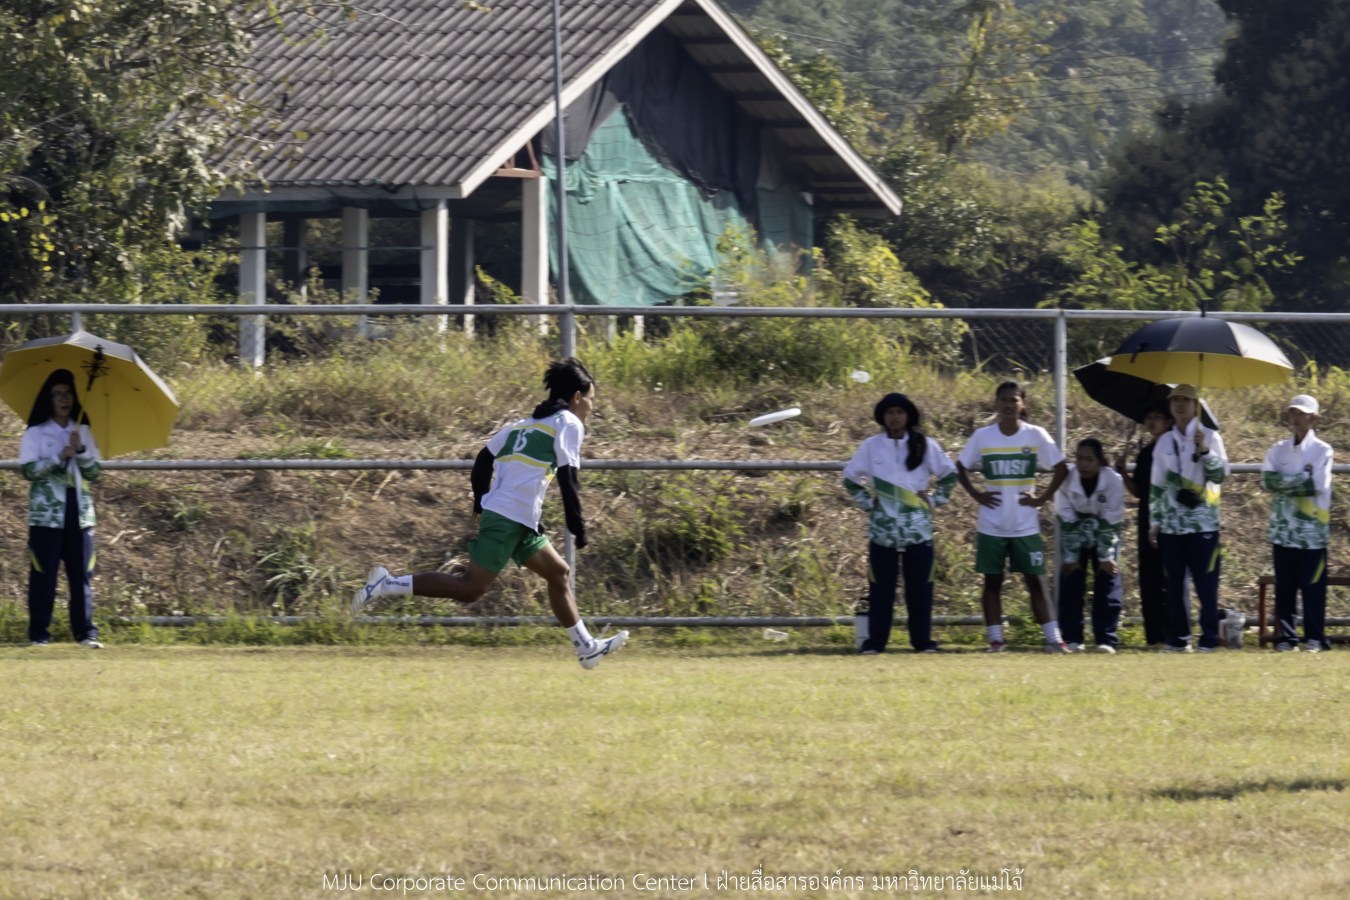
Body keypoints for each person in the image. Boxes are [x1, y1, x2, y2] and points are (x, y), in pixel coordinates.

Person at [352, 358, 626, 669]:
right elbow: (568, 475)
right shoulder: (569, 423)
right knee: (470, 589)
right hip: (510, 517)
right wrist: (578, 525)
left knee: (558, 573)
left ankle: (586, 648)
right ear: (577, 397)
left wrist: (482, 501)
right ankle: (386, 584)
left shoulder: (520, 425)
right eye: (591, 399)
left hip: (518, 519)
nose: (591, 407)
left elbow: (483, 460)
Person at [956, 381, 1071, 653]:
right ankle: (996, 640)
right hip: (992, 524)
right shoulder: (983, 437)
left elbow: (1061, 469)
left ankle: (1054, 640)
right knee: (992, 582)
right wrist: (977, 495)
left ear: (1023, 404)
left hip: (1024, 524)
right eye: (1004, 400)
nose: (1008, 405)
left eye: (1014, 400)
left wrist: (1041, 498)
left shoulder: (1035, 435)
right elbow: (960, 466)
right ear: (996, 404)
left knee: (1036, 581)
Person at [843, 393, 958, 654]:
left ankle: (922, 642)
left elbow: (949, 475)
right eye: (890, 413)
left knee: (920, 589)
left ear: (909, 416)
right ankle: (875, 643)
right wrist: (868, 504)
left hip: (918, 529)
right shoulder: (871, 446)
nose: (895, 418)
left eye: (900, 412)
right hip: (882, 532)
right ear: (883, 417)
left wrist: (932, 501)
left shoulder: (925, 445)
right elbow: (850, 478)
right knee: (880, 589)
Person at [19, 369, 103, 648]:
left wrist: (81, 451)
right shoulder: (36, 432)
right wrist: (58, 457)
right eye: (58, 394)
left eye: (68, 394)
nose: (64, 400)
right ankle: (39, 634)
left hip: (79, 512)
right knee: (44, 573)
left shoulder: (82, 430)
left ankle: (86, 632)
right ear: (49, 398)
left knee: (81, 573)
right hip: (47, 515)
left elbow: (93, 472)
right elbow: (29, 470)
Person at [1150, 384, 1229, 652]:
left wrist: (1205, 451)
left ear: (1196, 405)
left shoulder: (1209, 436)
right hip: (1172, 524)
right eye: (1175, 400)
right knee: (1174, 584)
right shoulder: (1164, 441)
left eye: (1186, 400)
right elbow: (1157, 485)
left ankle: (1208, 638)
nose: (1180, 405)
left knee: (1206, 584)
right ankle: (1179, 638)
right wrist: (1155, 520)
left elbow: (1221, 476)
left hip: (1203, 523)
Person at [1260, 394, 1333, 652]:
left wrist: (1286, 483)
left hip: (1312, 533)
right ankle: (1286, 639)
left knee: (1313, 589)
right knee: (1286, 590)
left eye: (1302, 413)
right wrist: (1299, 480)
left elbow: (1318, 485)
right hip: (1283, 531)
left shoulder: (1323, 450)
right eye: (1293, 412)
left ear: (1313, 417)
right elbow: (1267, 481)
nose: (1296, 417)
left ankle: (1314, 638)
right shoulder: (1277, 448)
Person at [1055, 439, 1125, 653]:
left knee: (1108, 577)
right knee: (1070, 577)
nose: (1083, 464)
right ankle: (1072, 638)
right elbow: (1065, 516)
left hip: (1105, 530)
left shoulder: (1114, 480)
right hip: (1073, 530)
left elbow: (1112, 518)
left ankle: (1106, 639)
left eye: (1089, 459)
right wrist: (1072, 557)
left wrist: (1105, 556)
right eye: (1079, 459)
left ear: (1101, 461)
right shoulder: (1066, 477)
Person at [1116, 402, 1174, 648]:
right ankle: (1154, 637)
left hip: (1171, 519)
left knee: (1169, 577)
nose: (1152, 422)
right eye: (1148, 417)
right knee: (1148, 577)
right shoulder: (1146, 452)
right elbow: (1140, 491)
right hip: (1147, 518)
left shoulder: (1176, 447)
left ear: (1168, 421)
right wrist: (1122, 473)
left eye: (1157, 416)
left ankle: (1173, 634)